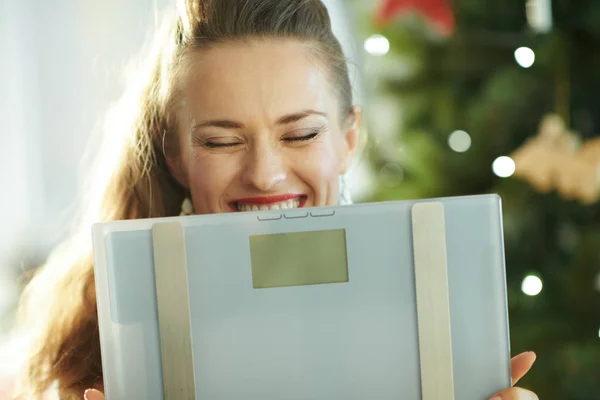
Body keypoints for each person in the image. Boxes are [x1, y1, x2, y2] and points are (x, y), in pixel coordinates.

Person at [13, 0, 538, 399]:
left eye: (301, 134)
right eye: (221, 141)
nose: (265, 175)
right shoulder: (109, 343)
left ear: (348, 139)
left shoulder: (435, 312)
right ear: (175, 156)